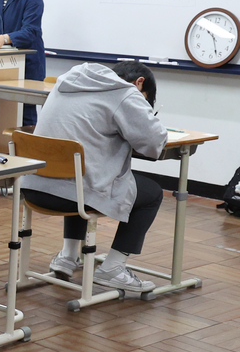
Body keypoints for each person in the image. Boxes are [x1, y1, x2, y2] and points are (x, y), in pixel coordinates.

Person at [22, 62, 167, 293]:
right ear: (140, 83)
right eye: (144, 100)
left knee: (81, 173)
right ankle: (113, 267)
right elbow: (154, 144)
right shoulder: (124, 92)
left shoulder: (66, 81)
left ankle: (67, 257)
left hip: (32, 187)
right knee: (151, 193)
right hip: (73, 195)